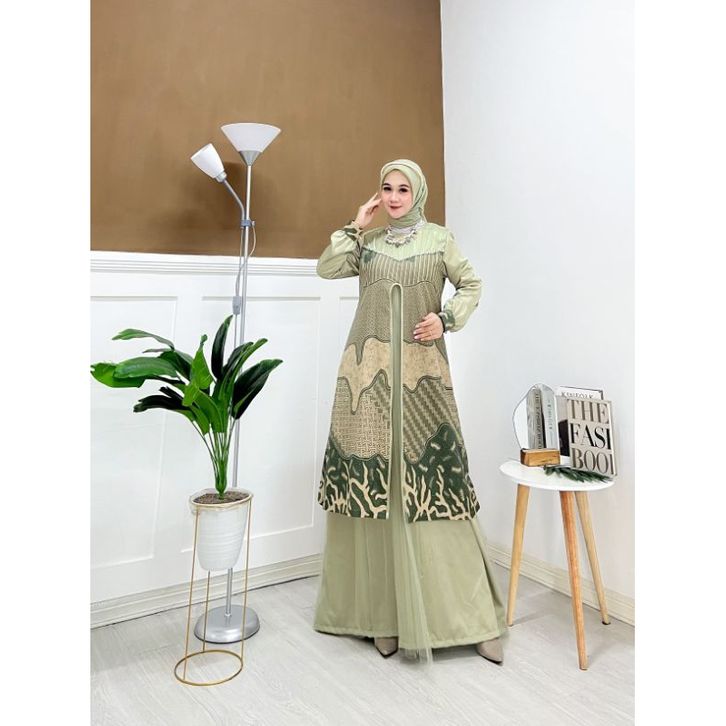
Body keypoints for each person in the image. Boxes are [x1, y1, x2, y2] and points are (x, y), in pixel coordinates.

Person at [313, 159, 507, 665]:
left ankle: (471, 619)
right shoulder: (369, 244)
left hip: (423, 380)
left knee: (437, 485)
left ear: (417, 193)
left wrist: (446, 319)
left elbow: (472, 285)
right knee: (376, 490)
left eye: (403, 189)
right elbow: (326, 268)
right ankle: (383, 617)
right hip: (366, 382)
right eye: (387, 188)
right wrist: (356, 226)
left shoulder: (440, 240)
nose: (395, 197)